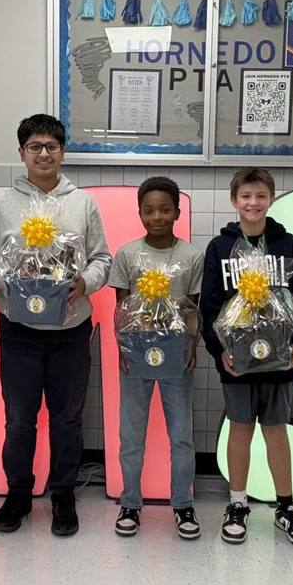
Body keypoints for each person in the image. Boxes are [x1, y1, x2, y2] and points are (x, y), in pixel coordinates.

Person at [0, 114, 112, 537]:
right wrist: (10, 283)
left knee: (68, 419)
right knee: (19, 418)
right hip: (18, 330)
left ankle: (63, 494)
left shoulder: (82, 203)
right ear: (21, 153)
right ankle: (19, 492)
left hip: (70, 330)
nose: (44, 153)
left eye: (51, 146)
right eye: (35, 146)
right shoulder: (2, 203)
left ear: (63, 152)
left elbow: (102, 260)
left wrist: (82, 283)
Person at [199, 167, 293, 546]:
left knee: (276, 430)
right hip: (237, 360)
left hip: (280, 359)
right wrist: (220, 352)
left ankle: (286, 507)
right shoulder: (219, 249)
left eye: (261, 196)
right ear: (234, 201)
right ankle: (237, 504)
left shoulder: (289, 245)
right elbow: (210, 306)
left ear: (272, 198)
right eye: (246, 196)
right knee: (240, 428)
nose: (253, 203)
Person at [109, 177, 204, 540]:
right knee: (131, 434)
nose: (157, 216)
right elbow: (122, 309)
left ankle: (183, 504)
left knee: (181, 434)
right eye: (149, 210)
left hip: (177, 356)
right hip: (135, 356)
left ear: (178, 211)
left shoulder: (191, 256)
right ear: (139, 213)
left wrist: (192, 347)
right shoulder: (127, 255)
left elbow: (193, 309)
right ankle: (130, 502)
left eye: (165, 209)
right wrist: (123, 349)